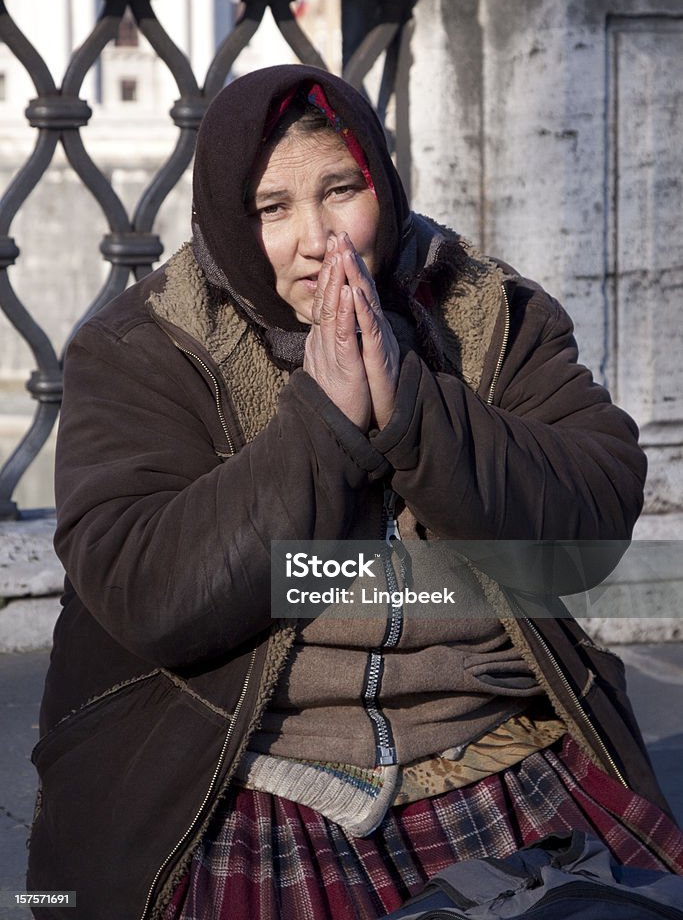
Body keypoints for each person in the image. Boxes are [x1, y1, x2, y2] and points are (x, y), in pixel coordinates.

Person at [28, 64, 683, 920]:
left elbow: (592, 518)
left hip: (486, 745)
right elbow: (148, 587)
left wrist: (411, 407)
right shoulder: (145, 347)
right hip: (245, 765)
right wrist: (322, 423)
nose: (315, 240)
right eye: (272, 208)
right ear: (229, 217)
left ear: (382, 180)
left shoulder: (487, 313)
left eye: (342, 190)